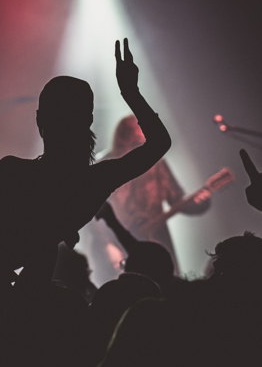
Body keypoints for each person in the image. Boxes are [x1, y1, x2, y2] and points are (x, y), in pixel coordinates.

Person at [0, 39, 172, 297]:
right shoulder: (93, 182)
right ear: (88, 121)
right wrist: (131, 92)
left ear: (40, 119)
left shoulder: (13, 172)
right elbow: (159, 143)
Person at [89, 114, 211, 279]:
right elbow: (94, 209)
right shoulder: (105, 164)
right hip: (118, 239)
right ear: (125, 136)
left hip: (156, 240)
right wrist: (108, 244)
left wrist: (200, 202)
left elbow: (177, 199)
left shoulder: (157, 164)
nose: (142, 137)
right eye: (137, 133)